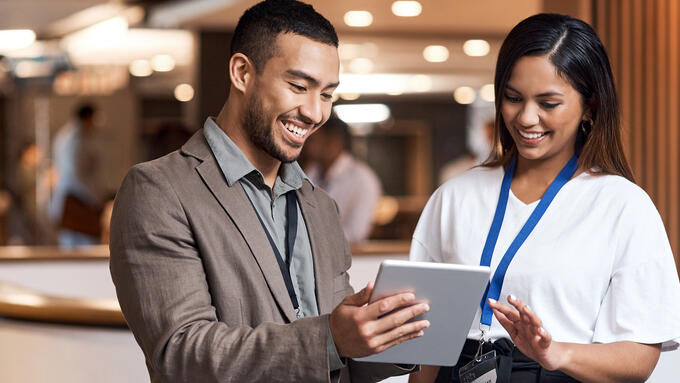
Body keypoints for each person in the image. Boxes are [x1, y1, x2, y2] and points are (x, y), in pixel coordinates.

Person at [109, 1, 429, 382]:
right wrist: (330, 338)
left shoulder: (319, 204)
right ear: (242, 72)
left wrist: (397, 336)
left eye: (327, 94)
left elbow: (337, 357)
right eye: (298, 86)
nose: (314, 113)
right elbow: (183, 353)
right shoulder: (158, 191)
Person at [409, 13, 680, 383]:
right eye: (513, 98)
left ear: (591, 107)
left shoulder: (623, 206)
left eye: (548, 103)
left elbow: (638, 359)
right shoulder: (454, 197)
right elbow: (426, 346)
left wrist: (554, 352)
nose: (526, 118)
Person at [304, 116, 382, 243]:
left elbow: (357, 233)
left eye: (314, 139)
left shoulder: (362, 179)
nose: (307, 144)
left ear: (333, 142)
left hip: (349, 258)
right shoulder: (310, 172)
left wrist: (313, 240)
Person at [49, 104, 106, 246]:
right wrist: (96, 199)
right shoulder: (74, 140)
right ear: (88, 118)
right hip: (77, 202)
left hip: (75, 200)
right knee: (79, 251)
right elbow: (75, 176)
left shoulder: (68, 136)